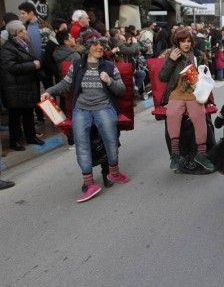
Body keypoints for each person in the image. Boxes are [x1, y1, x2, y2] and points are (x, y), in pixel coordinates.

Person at [41, 33, 130, 203]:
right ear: (88, 47)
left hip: (104, 106)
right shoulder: (77, 65)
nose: (99, 48)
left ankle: (114, 173)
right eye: (95, 45)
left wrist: (110, 81)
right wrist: (49, 91)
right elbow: (65, 84)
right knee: (81, 142)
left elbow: (121, 90)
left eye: (102, 45)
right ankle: (89, 184)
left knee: (110, 139)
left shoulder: (110, 66)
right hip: (82, 109)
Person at [159, 27, 214, 172]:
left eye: (189, 41)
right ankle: (175, 154)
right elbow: (162, 77)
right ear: (177, 42)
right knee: (172, 114)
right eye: (183, 41)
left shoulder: (198, 56)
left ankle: (201, 155)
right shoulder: (171, 54)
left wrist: (200, 74)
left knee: (200, 116)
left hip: (194, 93)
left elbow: (207, 76)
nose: (186, 44)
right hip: (176, 93)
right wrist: (171, 60)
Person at [0, 20, 45, 151]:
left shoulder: (24, 44)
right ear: (17, 33)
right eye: (23, 30)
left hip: (26, 86)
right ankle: (15, 141)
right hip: (15, 88)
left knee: (28, 113)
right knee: (15, 116)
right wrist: (33, 65)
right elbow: (11, 66)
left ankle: (31, 137)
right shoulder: (8, 48)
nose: (26, 32)